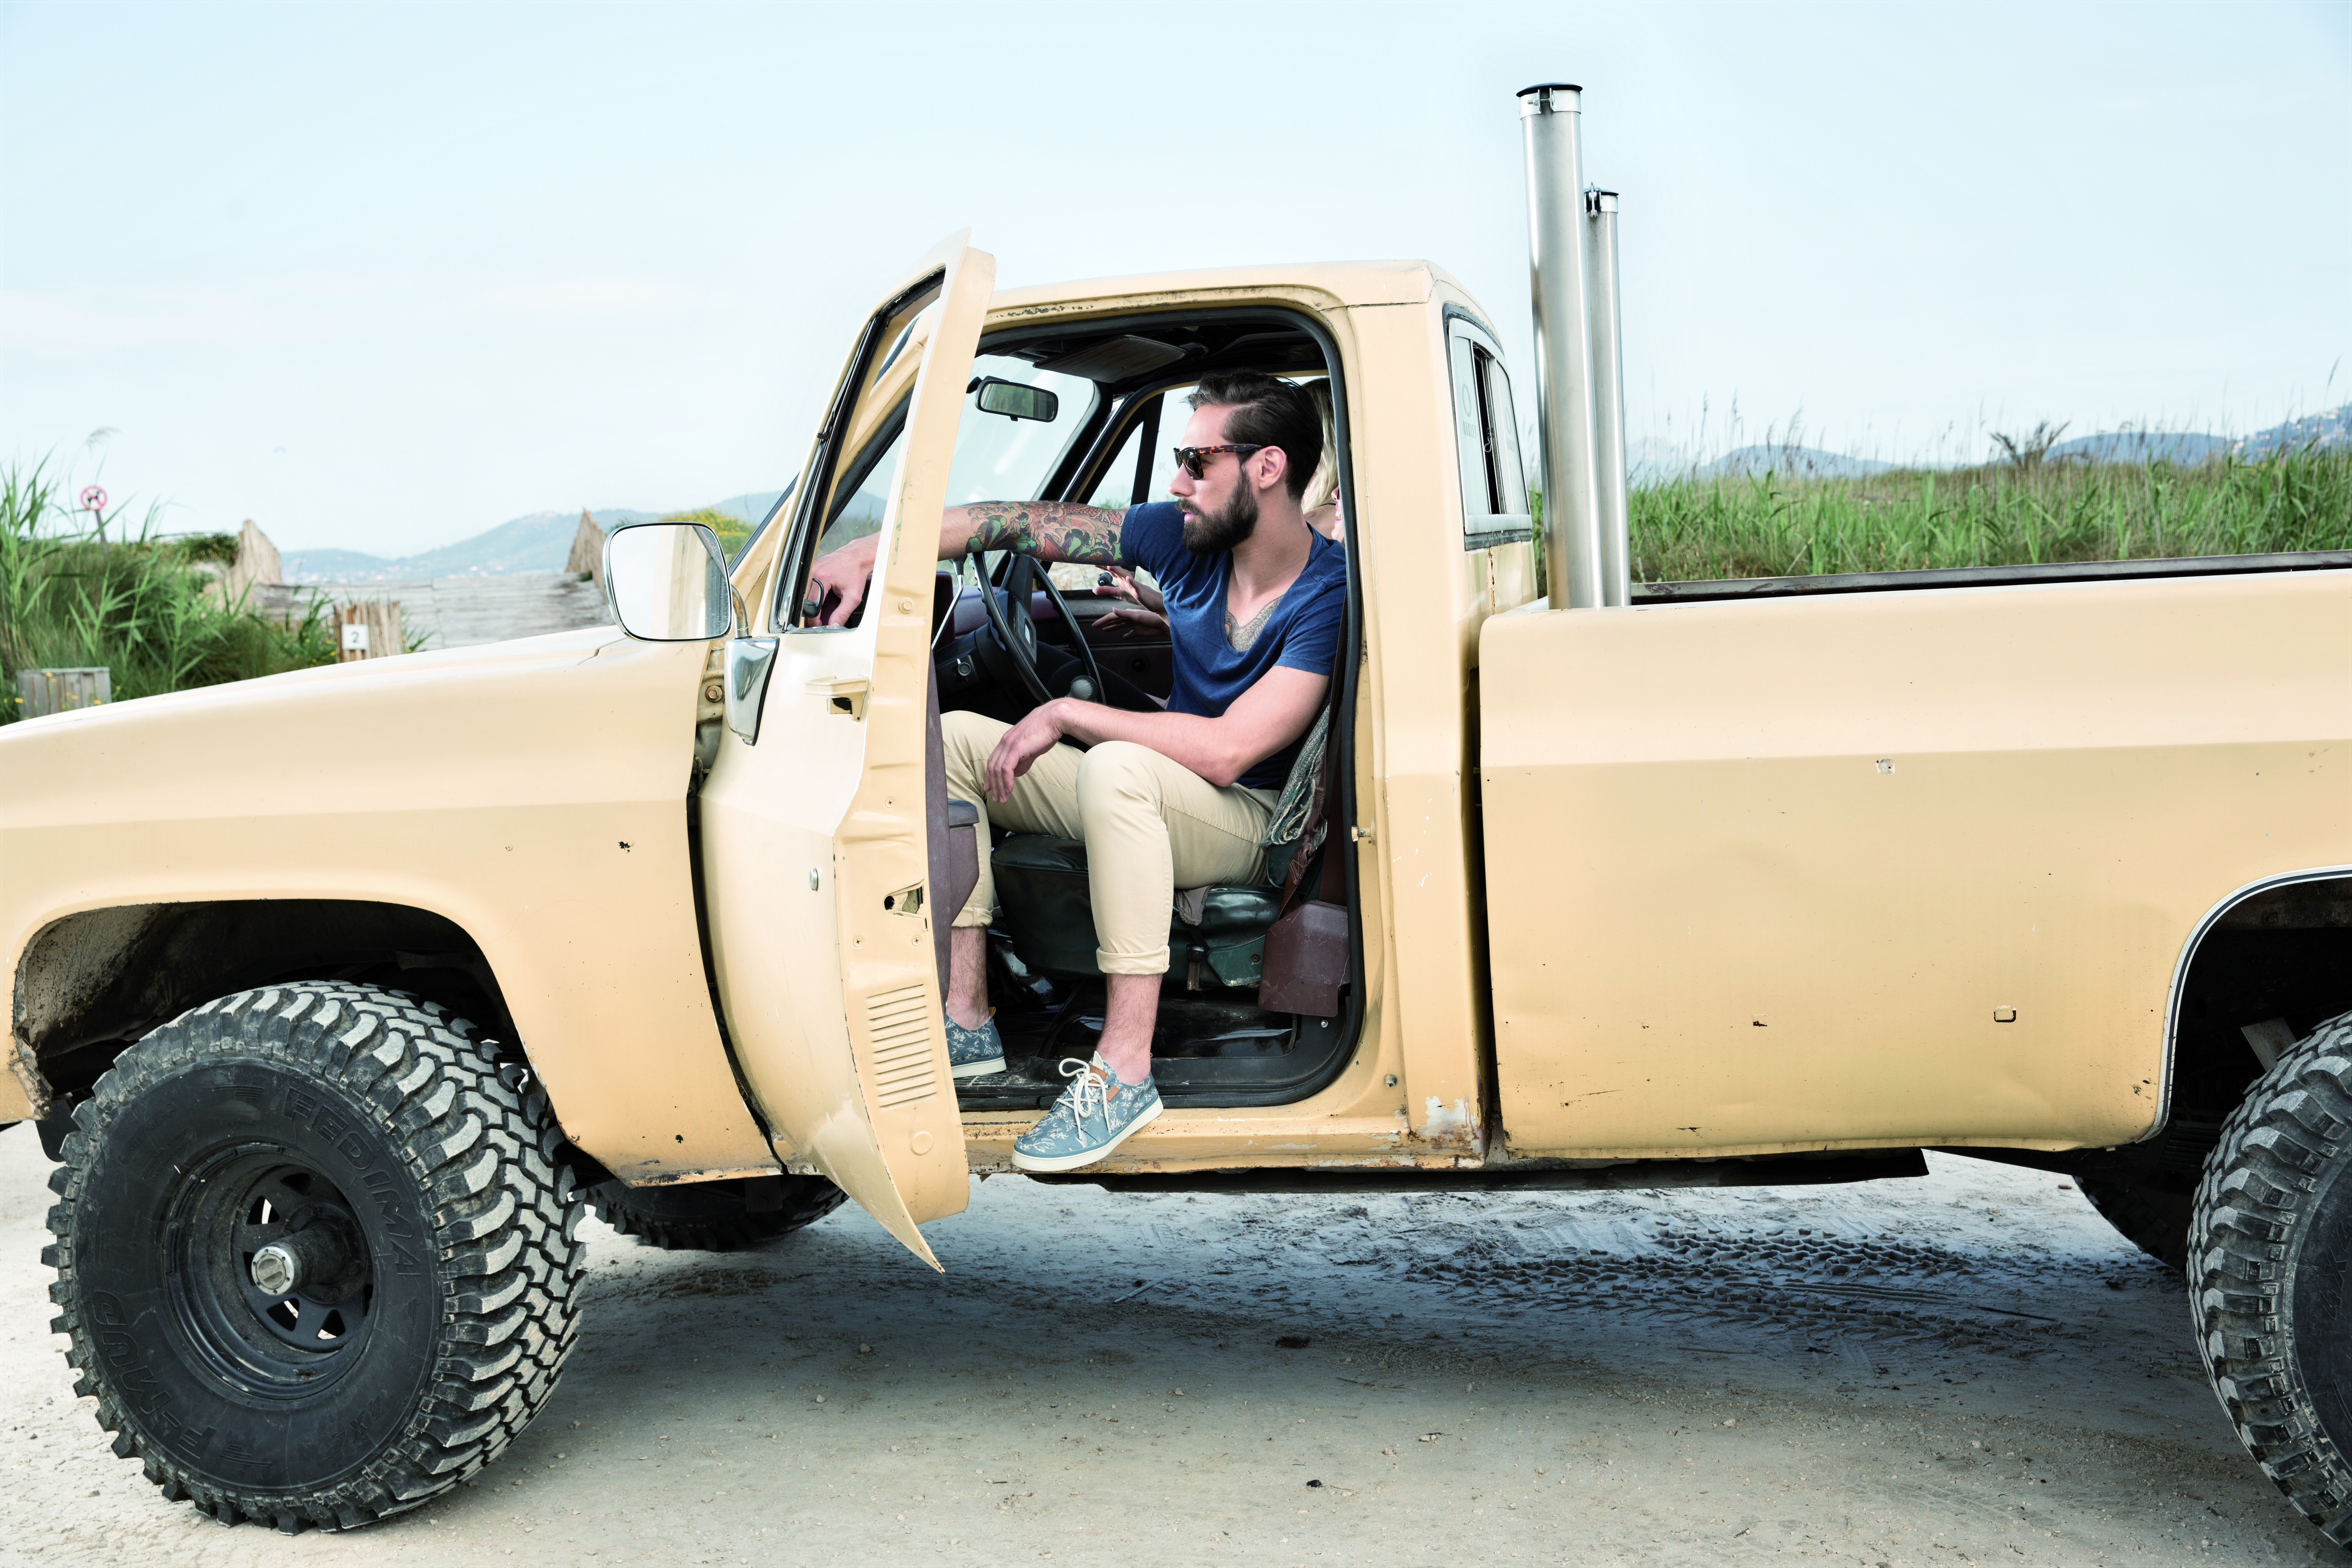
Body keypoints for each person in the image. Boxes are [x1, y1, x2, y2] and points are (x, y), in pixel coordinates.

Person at [806, 372, 1345, 1172]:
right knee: (955, 741)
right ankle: (968, 1018)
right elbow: (1018, 523)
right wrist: (863, 550)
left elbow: (1230, 750)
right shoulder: (1187, 542)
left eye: (1199, 462)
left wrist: (1066, 715)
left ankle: (1123, 1071)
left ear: (1267, 469)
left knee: (1119, 767)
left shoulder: (1327, 592)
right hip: (1176, 789)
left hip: (1247, 817)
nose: (1177, 482)